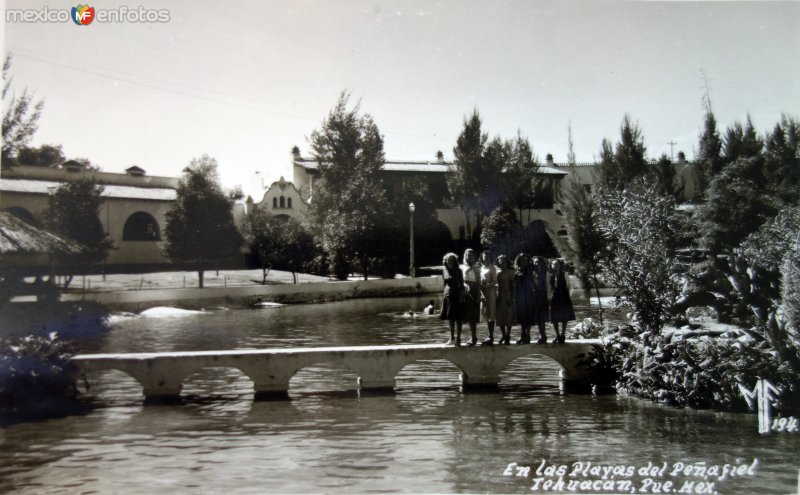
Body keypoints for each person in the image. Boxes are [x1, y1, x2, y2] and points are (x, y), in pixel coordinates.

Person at [440, 253, 464, 346]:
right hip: (448, 295)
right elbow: (445, 284)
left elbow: (461, 284)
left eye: (451, 260)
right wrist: (444, 295)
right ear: (445, 261)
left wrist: (462, 296)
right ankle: (452, 338)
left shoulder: (459, 271)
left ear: (455, 261)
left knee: (458, 318)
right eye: (447, 260)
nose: (449, 261)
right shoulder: (445, 271)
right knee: (450, 318)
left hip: (457, 294)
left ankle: (458, 338)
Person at [549, 258, 575, 343]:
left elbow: (569, 287)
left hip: (564, 297)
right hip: (555, 298)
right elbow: (549, 288)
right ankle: (557, 335)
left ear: (560, 266)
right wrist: (549, 297)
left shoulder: (565, 274)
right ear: (551, 266)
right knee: (554, 318)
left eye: (557, 264)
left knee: (564, 317)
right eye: (553, 264)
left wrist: (567, 297)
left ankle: (563, 335)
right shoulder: (550, 276)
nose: (555, 266)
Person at [513, 253, 535, 344]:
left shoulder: (530, 270)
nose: (524, 262)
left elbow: (533, 283)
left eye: (526, 260)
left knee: (528, 316)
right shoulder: (516, 270)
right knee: (521, 316)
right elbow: (514, 285)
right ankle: (522, 335)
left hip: (529, 295)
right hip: (520, 296)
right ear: (519, 260)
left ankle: (528, 335)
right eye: (522, 260)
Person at [494, 254, 516, 345]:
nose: (501, 262)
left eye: (503, 260)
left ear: (507, 262)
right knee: (500, 316)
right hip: (499, 296)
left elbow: (514, 286)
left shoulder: (511, 272)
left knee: (509, 316)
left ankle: (508, 335)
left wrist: (512, 297)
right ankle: (504, 335)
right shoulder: (497, 272)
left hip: (508, 295)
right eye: (500, 261)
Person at [461, 248, 481, 346]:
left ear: (474, 256)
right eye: (468, 255)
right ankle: (473, 337)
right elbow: (463, 280)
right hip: (466, 291)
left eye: (472, 255)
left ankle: (474, 337)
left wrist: (477, 295)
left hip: (474, 290)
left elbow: (478, 282)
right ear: (466, 256)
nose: (470, 256)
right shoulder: (464, 266)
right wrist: (465, 286)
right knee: (468, 314)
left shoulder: (476, 266)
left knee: (473, 315)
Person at [480, 250, 498, 345]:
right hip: (483, 292)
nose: (485, 258)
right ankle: (489, 336)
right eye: (484, 257)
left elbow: (495, 281)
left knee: (491, 314)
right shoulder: (482, 268)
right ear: (482, 257)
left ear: (490, 258)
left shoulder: (492, 267)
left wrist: (485, 286)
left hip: (490, 292)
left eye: (487, 257)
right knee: (486, 314)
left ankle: (491, 336)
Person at [532, 256, 550, 344]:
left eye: (538, 262)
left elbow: (547, 286)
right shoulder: (532, 273)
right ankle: (542, 335)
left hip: (543, 296)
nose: (536, 264)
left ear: (541, 263)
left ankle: (543, 335)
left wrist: (548, 297)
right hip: (535, 297)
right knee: (538, 318)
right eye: (535, 262)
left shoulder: (545, 273)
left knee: (542, 317)